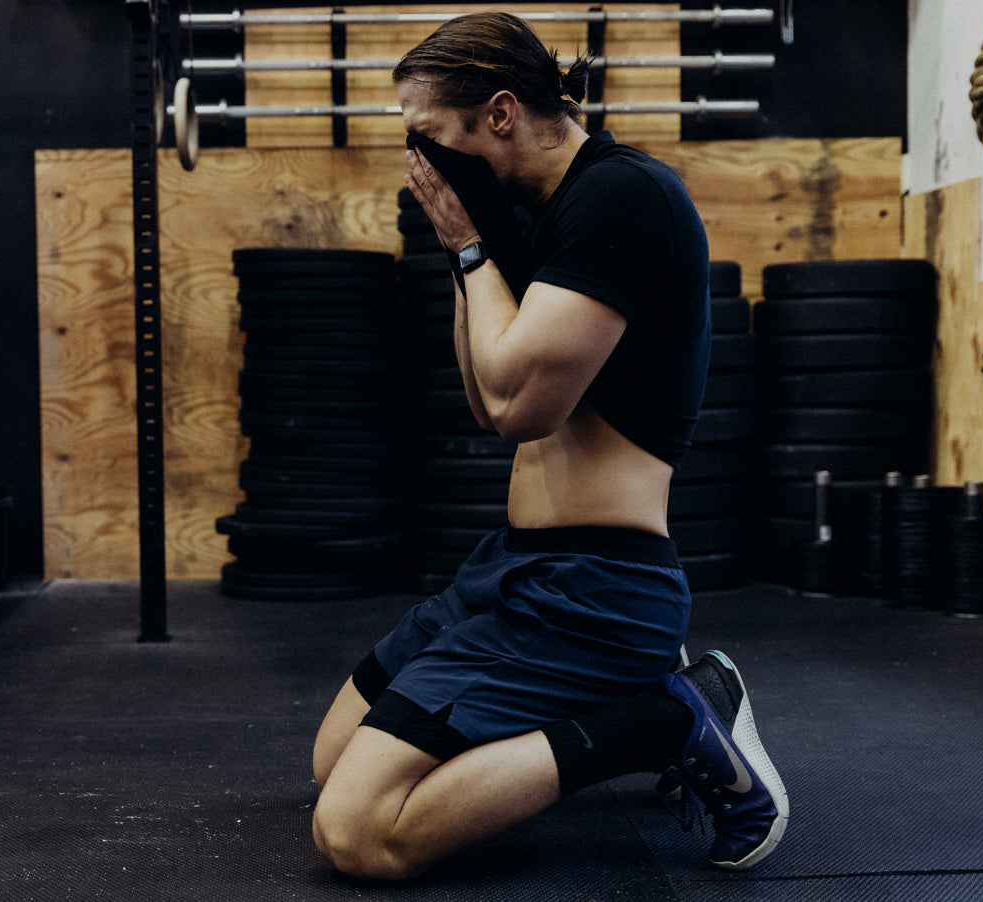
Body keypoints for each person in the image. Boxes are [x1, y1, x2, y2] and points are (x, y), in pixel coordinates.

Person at [310, 13, 788, 881]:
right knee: (330, 760)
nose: (419, 161)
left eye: (428, 135)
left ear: (500, 114)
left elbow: (520, 410)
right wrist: (473, 248)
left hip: (596, 587)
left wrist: (468, 248)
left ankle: (669, 718)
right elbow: (483, 398)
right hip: (514, 567)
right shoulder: (531, 216)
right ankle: (627, 701)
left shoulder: (620, 198)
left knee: (358, 832)